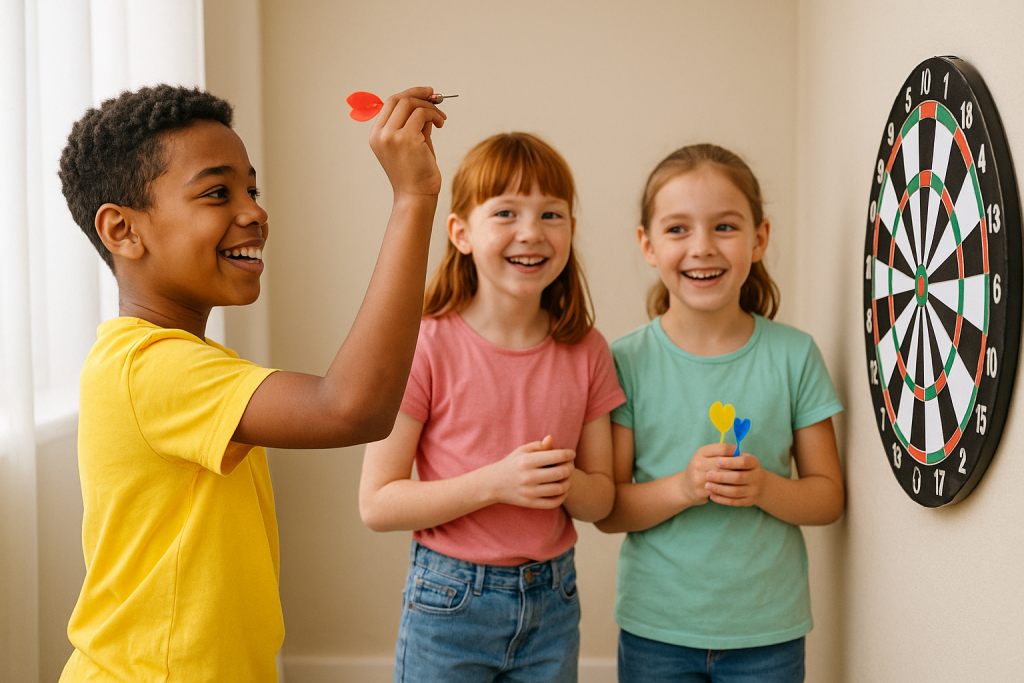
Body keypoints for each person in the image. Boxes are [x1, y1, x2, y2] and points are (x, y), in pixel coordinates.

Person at [56, 83, 446, 682]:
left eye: (252, 189)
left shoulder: (177, 360)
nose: (255, 211)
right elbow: (351, 409)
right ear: (122, 231)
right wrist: (412, 198)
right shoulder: (153, 367)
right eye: (217, 192)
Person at [359, 132, 625, 683]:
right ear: (460, 233)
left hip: (553, 601)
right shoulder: (424, 345)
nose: (531, 232)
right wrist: (497, 483)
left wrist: (560, 483)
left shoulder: (588, 350)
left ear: (571, 231)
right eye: (506, 212)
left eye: (552, 214)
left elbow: (602, 500)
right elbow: (378, 503)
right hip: (447, 602)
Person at [595, 144, 845, 683]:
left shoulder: (794, 355)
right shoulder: (623, 362)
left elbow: (828, 497)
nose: (702, 248)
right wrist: (683, 487)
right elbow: (608, 509)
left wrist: (766, 488)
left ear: (759, 240)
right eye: (678, 229)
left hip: (768, 633)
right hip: (655, 630)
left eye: (725, 227)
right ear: (648, 245)